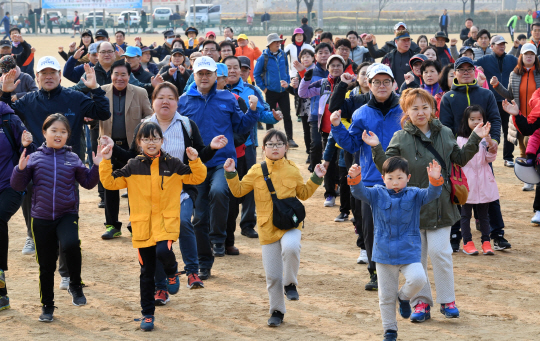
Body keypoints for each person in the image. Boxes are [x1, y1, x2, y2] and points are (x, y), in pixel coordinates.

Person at [363, 88, 491, 323]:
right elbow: (388, 167)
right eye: (415, 108)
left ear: (433, 109)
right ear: (406, 112)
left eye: (425, 107)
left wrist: (475, 138)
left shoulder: (445, 133)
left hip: (441, 204)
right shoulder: (400, 137)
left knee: (440, 252)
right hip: (409, 210)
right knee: (417, 260)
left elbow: (460, 159)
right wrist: (375, 147)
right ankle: (420, 303)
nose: (421, 112)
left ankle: (447, 300)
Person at [99, 121, 207, 331]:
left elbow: (197, 177)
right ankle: (147, 314)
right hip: (142, 228)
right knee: (146, 274)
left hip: (166, 224)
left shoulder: (173, 163)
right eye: (146, 139)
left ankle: (173, 271)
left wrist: (195, 160)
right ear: (139, 142)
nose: (151, 142)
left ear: (161, 141)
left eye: (155, 138)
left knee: (163, 251)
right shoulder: (133, 165)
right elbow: (110, 183)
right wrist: (105, 160)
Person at [1, 57, 111, 255]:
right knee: (30, 196)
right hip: (36, 162)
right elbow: (5, 114)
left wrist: (95, 88)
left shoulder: (75, 98)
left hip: (69, 163)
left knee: (68, 201)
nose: (49, 77)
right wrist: (6, 94)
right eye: (44, 73)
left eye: (53, 73)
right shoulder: (28, 100)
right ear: (37, 77)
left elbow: (102, 112)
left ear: (60, 76)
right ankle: (30, 234)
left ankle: (68, 239)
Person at [225, 129, 326, 327]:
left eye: (279, 144)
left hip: (290, 224)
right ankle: (277, 311)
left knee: (291, 248)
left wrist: (316, 177)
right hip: (266, 227)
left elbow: (303, 194)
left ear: (286, 148)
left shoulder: (292, 169)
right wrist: (230, 172)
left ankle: (290, 283)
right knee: (272, 276)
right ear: (263, 149)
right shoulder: (256, 171)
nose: (275, 147)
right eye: (270, 144)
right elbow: (238, 191)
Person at [10, 114, 102, 322]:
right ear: (44, 133)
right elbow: (17, 186)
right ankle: (47, 307)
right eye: (54, 130)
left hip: (66, 214)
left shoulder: (73, 158)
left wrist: (96, 166)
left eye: (63, 131)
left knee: (71, 244)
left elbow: (88, 183)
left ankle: (75, 286)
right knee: (46, 266)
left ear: (68, 135)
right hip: (41, 218)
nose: (58, 135)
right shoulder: (33, 158)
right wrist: (20, 168)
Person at [178, 56, 260, 279]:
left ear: (216, 76)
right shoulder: (183, 101)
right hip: (196, 165)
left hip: (222, 163)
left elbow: (241, 125)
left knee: (220, 191)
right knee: (199, 216)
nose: (204, 77)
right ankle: (205, 262)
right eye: (200, 73)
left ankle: (218, 239)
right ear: (194, 76)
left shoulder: (228, 98)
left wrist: (252, 111)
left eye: (208, 73)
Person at [348, 157, 443, 341]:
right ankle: (390, 330)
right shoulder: (376, 194)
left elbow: (432, 194)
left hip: (409, 251)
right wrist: (355, 179)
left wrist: (435, 180)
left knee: (419, 278)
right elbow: (359, 193)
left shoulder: (415, 194)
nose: (394, 182)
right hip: (383, 253)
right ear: (383, 178)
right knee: (386, 296)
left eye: (399, 178)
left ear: (408, 177)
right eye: (390, 178)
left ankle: (404, 297)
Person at [329, 64, 404, 291]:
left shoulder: (404, 109)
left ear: (393, 84)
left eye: (386, 82)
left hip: (401, 181)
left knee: (399, 229)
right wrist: (336, 127)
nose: (382, 86)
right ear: (368, 85)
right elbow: (351, 144)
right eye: (376, 82)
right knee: (371, 230)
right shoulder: (360, 113)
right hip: (371, 182)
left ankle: (401, 270)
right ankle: (374, 272)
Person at [439, 57, 510, 252]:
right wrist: (452, 151)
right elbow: (445, 127)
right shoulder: (448, 97)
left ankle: (497, 234)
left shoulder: (486, 94)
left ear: (475, 72)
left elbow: (495, 119)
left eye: (469, 69)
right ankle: (456, 237)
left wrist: (494, 140)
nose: (466, 72)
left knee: (489, 194)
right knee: (458, 197)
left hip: (483, 152)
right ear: (455, 73)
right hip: (459, 155)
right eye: (461, 70)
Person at [224, 55, 281, 239]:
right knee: (225, 185)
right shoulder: (216, 89)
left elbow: (263, 113)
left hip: (247, 145)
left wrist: (273, 117)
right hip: (222, 147)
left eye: (237, 68)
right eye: (230, 68)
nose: (234, 71)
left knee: (250, 183)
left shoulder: (251, 90)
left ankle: (248, 223)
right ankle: (224, 224)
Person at [98, 60, 153, 239]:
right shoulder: (101, 92)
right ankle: (112, 225)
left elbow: (150, 114)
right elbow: (94, 113)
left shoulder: (140, 92)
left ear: (129, 76)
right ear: (111, 75)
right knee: (110, 187)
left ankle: (135, 223)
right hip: (109, 148)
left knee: (135, 186)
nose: (119, 78)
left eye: (123, 74)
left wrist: (145, 122)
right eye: (116, 74)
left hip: (133, 148)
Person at [299, 54, 347, 207]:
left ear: (343, 67)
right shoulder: (323, 84)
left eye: (339, 65)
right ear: (328, 68)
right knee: (329, 162)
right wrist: (306, 78)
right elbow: (303, 93)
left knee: (343, 164)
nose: (335, 68)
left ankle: (344, 193)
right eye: (332, 65)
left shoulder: (349, 82)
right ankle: (330, 194)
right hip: (326, 130)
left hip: (344, 131)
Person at [0, 102, 34, 312]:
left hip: (11, 184)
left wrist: (26, 144)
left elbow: (30, 151)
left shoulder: (8, 119)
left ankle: (0, 284)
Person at [492, 43, 540, 191]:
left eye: (532, 54)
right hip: (519, 118)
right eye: (526, 54)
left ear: (535, 57)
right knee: (522, 148)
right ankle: (529, 179)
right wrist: (497, 86)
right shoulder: (515, 74)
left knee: (531, 147)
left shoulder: (539, 73)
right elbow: (510, 95)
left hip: (536, 119)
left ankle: (535, 177)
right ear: (521, 57)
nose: (529, 57)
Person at [457, 105, 498, 256]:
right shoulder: (460, 139)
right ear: (466, 120)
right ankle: (467, 242)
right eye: (472, 119)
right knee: (465, 214)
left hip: (484, 181)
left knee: (484, 215)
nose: (475, 122)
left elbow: (489, 158)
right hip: (467, 182)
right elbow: (460, 158)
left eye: (479, 119)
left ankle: (486, 242)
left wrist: (491, 145)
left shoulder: (485, 139)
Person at [475, 35, 518, 167]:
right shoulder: (484, 60)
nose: (502, 46)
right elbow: (472, 66)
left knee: (508, 130)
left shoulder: (512, 59)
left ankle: (508, 157)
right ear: (491, 46)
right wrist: (478, 68)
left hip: (507, 101)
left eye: (503, 44)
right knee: (490, 130)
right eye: (498, 44)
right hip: (490, 101)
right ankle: (487, 155)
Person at [254, 33, 298, 147]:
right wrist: (264, 88)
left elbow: (286, 70)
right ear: (270, 44)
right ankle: (270, 139)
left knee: (287, 116)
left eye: (279, 41)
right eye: (276, 42)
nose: (279, 43)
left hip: (284, 91)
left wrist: (287, 83)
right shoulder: (263, 57)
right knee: (270, 116)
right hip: (270, 92)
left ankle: (290, 139)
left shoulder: (283, 54)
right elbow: (256, 74)